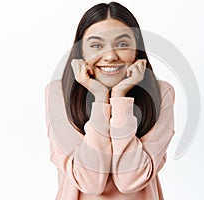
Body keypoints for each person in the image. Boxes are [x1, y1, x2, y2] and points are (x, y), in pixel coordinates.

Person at [44, 2, 175, 199]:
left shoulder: (161, 93)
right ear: (81, 50)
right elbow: (89, 182)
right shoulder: (58, 93)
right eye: (96, 45)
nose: (110, 56)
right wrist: (100, 98)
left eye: (122, 44)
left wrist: (119, 99)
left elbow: (130, 180)